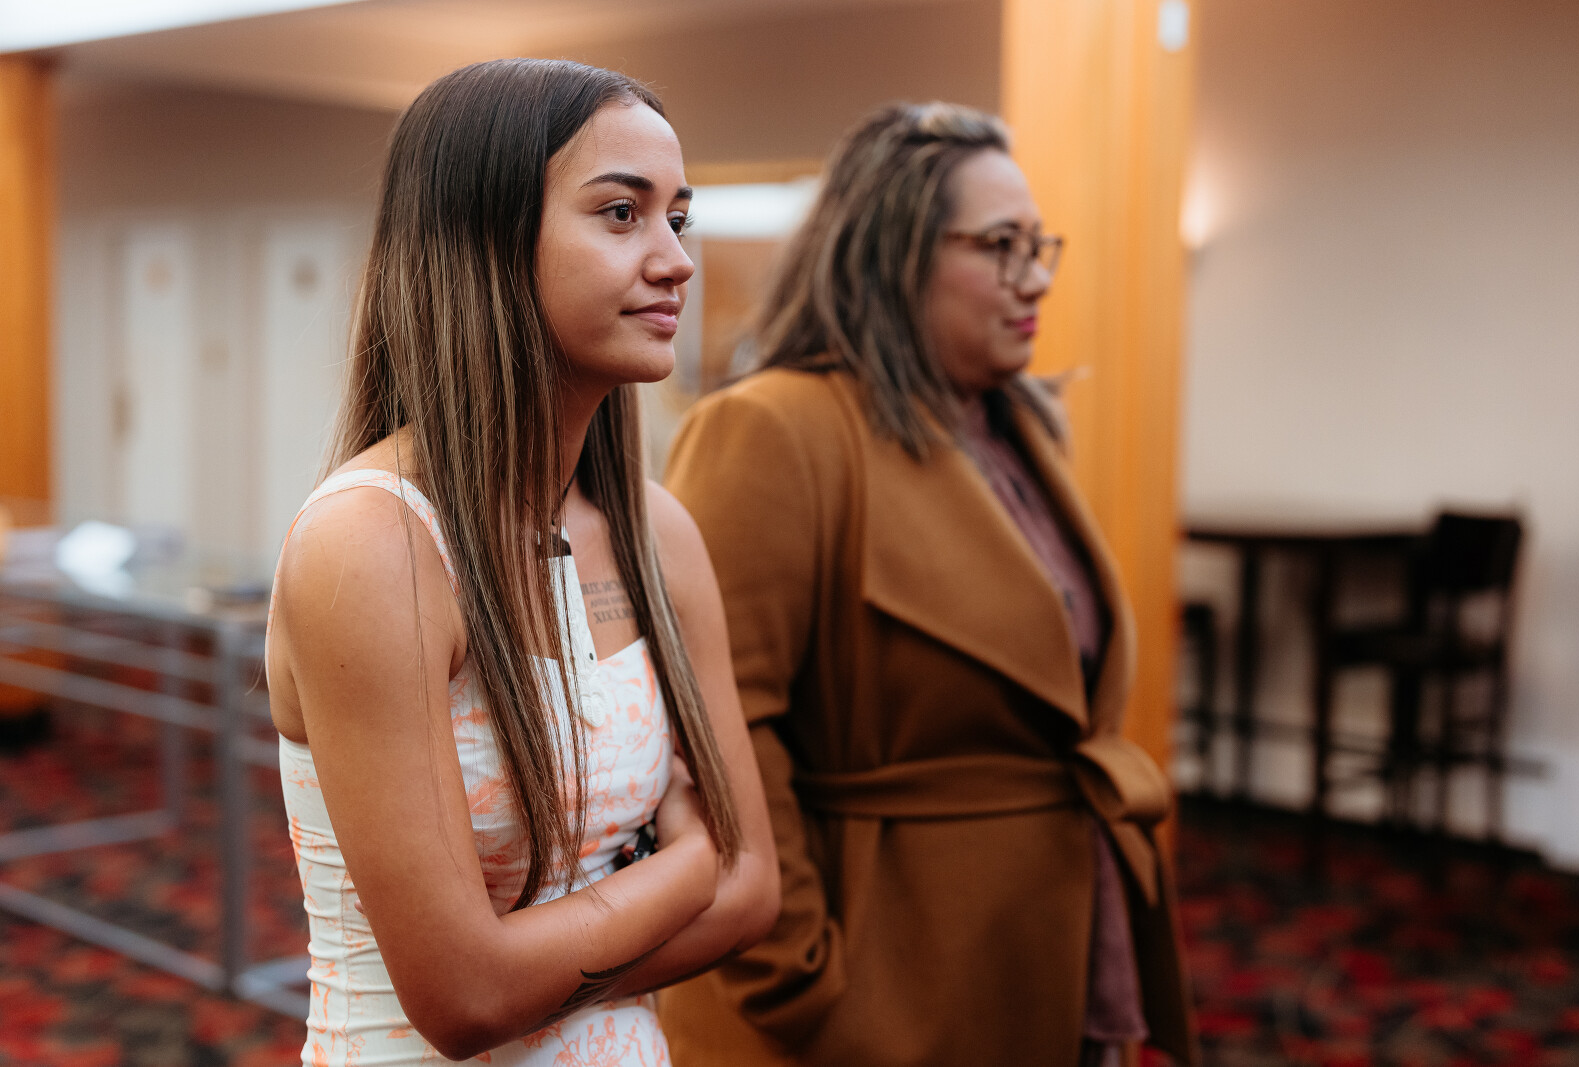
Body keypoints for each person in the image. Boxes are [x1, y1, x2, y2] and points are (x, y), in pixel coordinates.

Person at [657, 102, 1196, 1066]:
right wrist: (803, 979)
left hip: (1040, 940)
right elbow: (718, 729)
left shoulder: (1017, 424)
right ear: (892, 253)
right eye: (1000, 245)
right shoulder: (777, 428)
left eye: (1038, 245)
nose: (1035, 276)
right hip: (890, 981)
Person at [265, 59, 779, 1067]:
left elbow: (756, 885)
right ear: (488, 241)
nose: (676, 260)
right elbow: (464, 999)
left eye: (678, 218)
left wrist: (532, 966)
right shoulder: (375, 543)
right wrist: (687, 865)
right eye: (622, 213)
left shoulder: (656, 531)